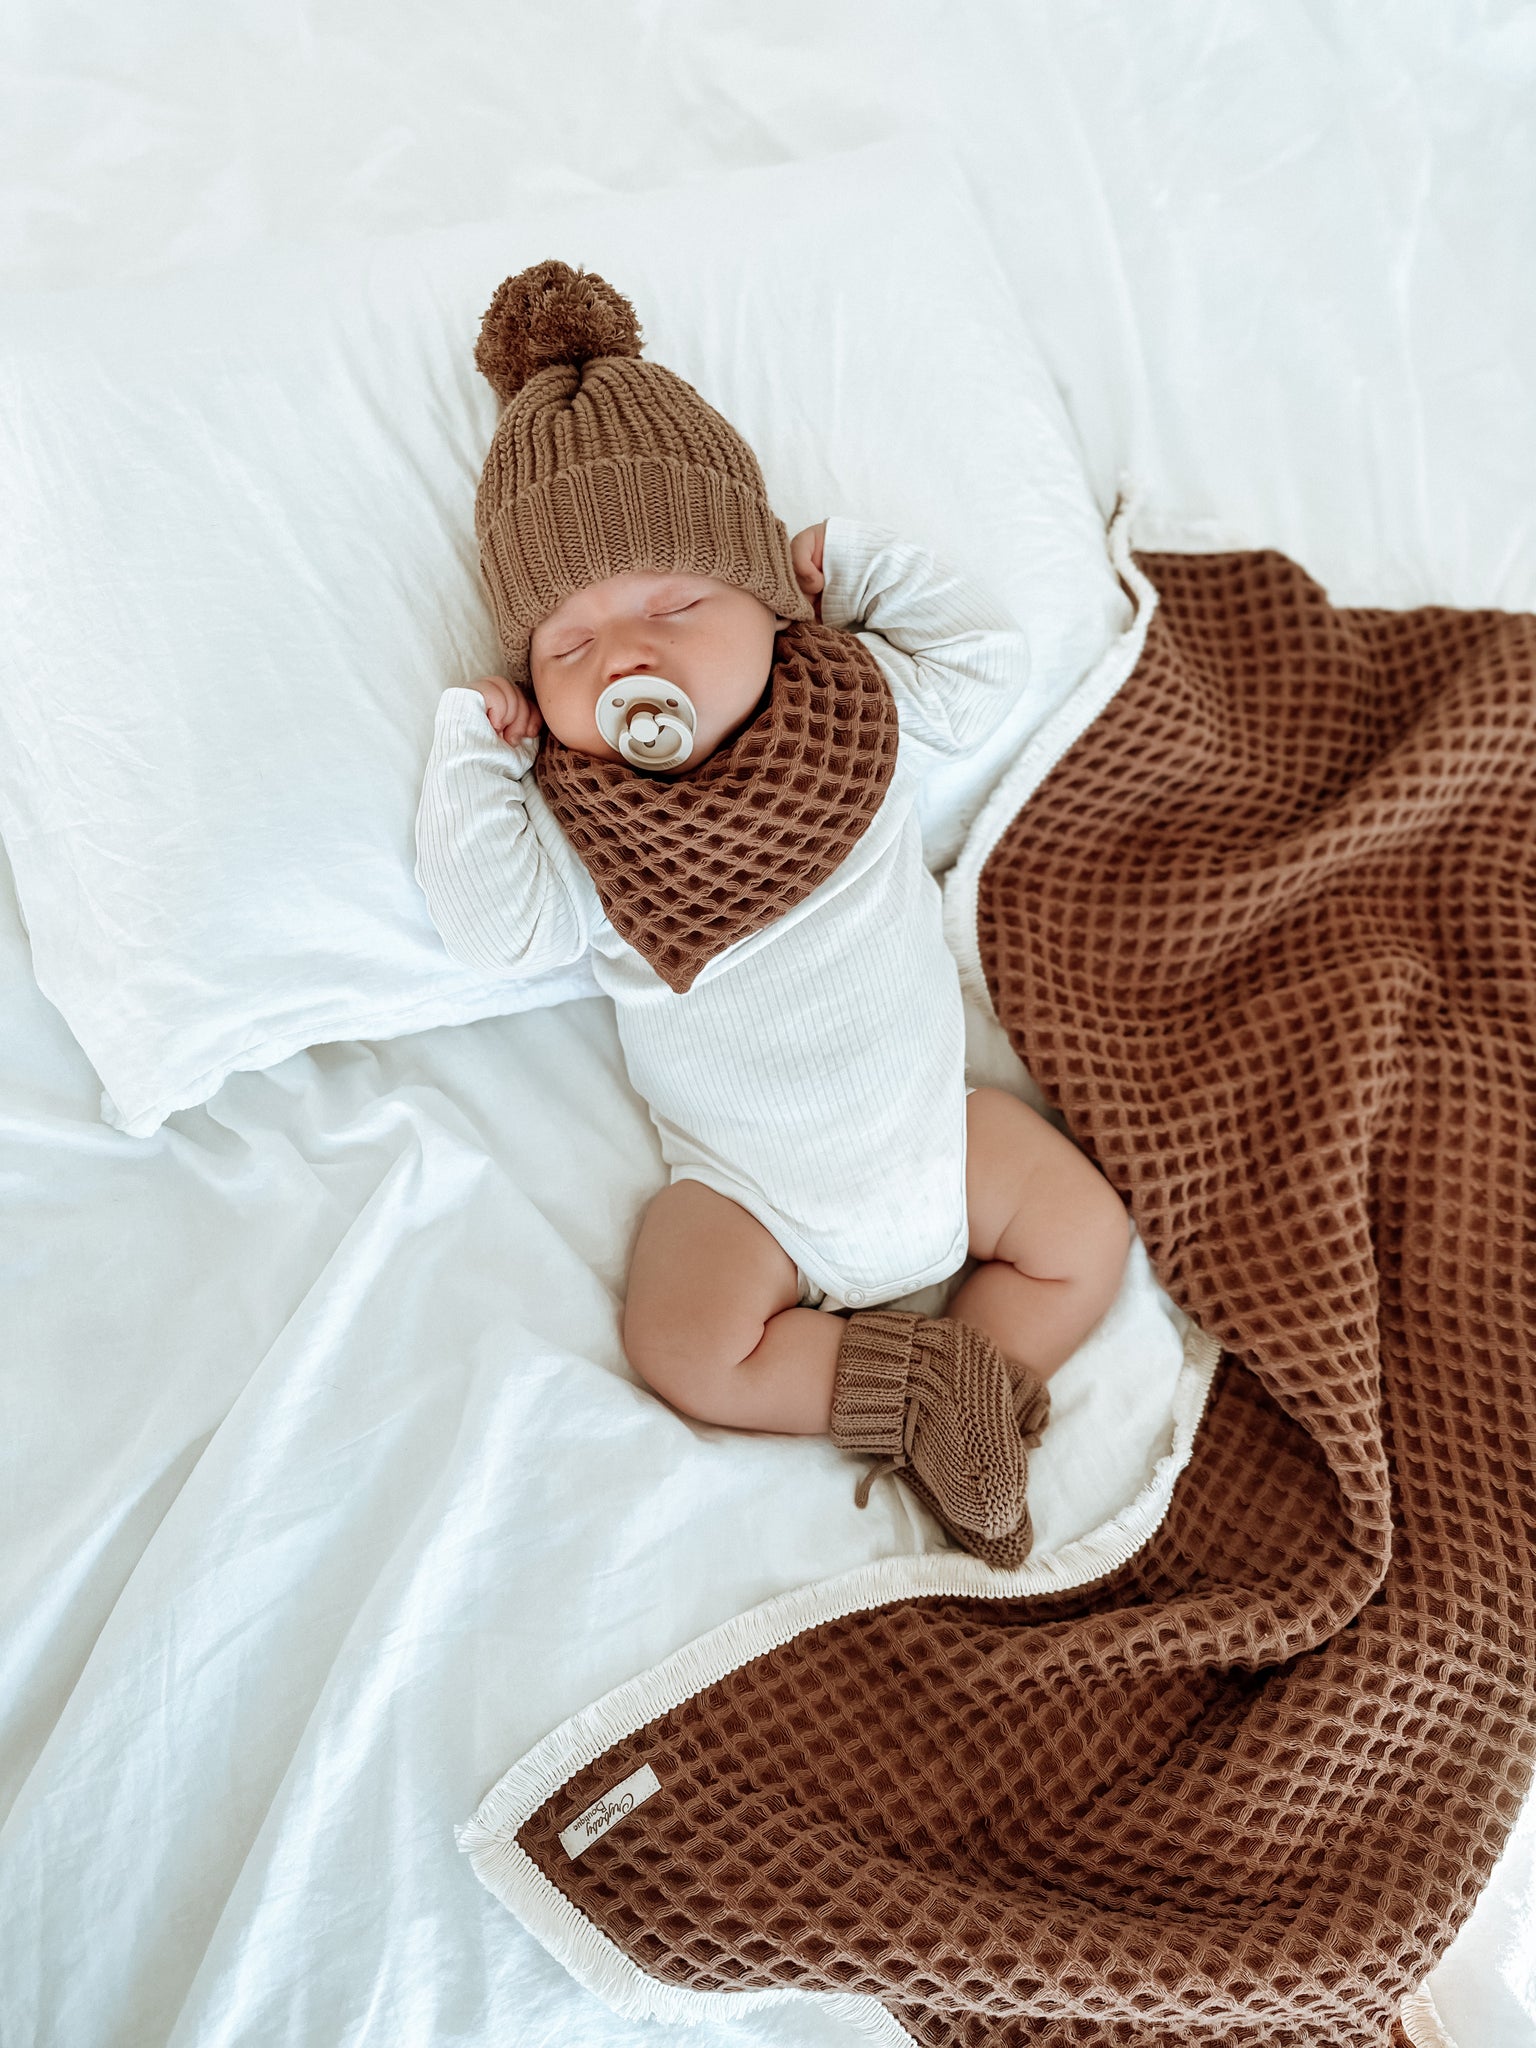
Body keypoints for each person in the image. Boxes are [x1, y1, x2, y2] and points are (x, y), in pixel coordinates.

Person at [414, 260, 1130, 1567]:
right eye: (568, 649)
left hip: (935, 1136)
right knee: (681, 1342)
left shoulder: (858, 719)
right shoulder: (590, 835)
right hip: (746, 1199)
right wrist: (477, 754)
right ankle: (916, 1394)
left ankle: (969, 1394)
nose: (627, 653)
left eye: (678, 604)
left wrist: (848, 570)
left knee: (1084, 1236)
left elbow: (989, 662)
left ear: (769, 603)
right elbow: (491, 930)